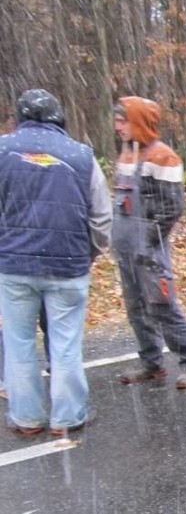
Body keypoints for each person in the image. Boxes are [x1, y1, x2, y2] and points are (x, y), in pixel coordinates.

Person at [0, 88, 112, 435]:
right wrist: (92, 251)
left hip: (14, 266)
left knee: (18, 344)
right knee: (65, 345)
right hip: (68, 265)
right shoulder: (81, 155)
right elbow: (102, 215)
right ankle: (67, 418)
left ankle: (27, 419)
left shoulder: (2, 150)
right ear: (58, 117)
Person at [111, 96, 186, 389]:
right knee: (136, 308)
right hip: (125, 250)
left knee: (162, 305)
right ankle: (151, 362)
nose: (117, 127)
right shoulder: (127, 155)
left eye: (123, 121)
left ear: (138, 121)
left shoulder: (163, 156)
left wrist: (148, 242)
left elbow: (172, 207)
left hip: (149, 250)